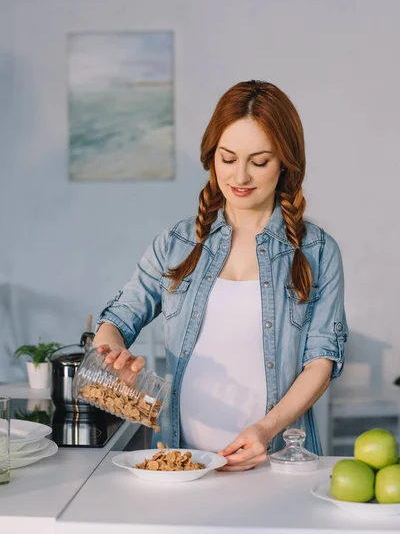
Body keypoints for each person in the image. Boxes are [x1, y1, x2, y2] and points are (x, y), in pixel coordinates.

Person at [94, 80, 348, 472]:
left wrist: (265, 430)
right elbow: (118, 319)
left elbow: (321, 362)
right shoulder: (176, 244)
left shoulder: (317, 252)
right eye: (227, 158)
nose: (240, 177)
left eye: (259, 161)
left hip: (278, 461)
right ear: (211, 155)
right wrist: (113, 360)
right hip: (183, 464)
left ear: (285, 163)